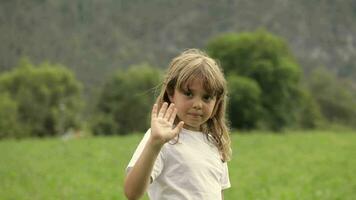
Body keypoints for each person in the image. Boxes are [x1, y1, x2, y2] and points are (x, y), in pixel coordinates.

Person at [124, 49, 232, 200]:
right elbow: (132, 193)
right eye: (189, 94)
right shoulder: (161, 139)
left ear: (217, 102)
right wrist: (154, 144)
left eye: (207, 97)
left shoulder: (214, 143)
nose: (198, 104)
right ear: (171, 93)